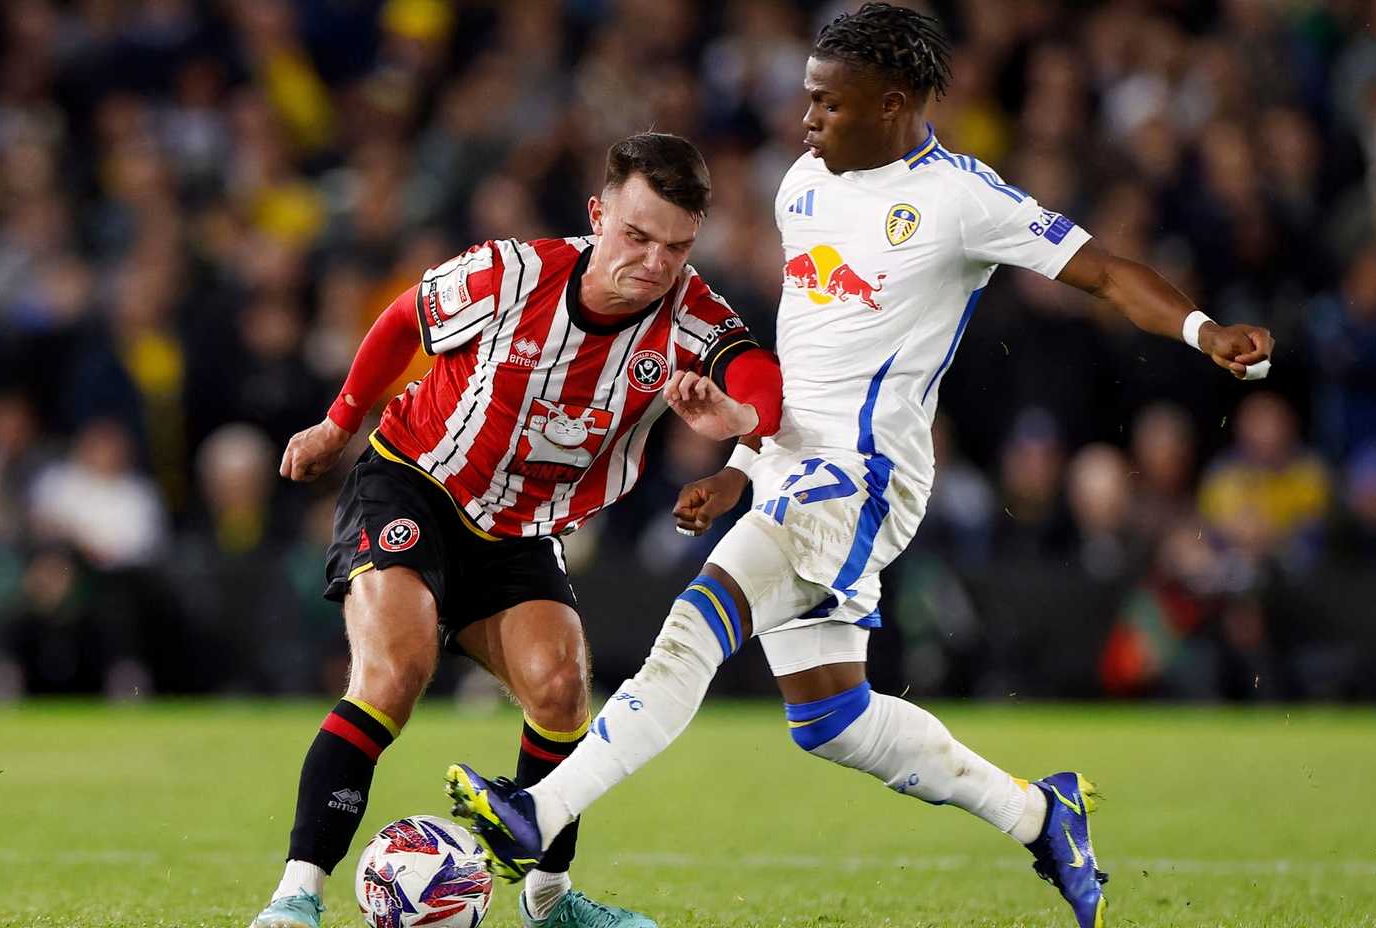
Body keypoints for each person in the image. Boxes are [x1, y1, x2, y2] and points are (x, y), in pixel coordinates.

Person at [445, 7, 1274, 928]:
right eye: (806, 100)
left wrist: (1205, 331)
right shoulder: (802, 185)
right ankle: (1043, 815)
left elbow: (1109, 272)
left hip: (868, 477)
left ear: (893, 103)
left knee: (694, 627)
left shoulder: (964, 200)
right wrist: (745, 462)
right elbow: (810, 360)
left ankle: (539, 811)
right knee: (832, 720)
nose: (805, 120)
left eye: (826, 104)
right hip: (795, 465)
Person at [249, 132, 783, 928]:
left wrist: (742, 424)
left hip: (523, 530)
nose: (653, 263)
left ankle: (549, 901)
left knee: (563, 686)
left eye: (675, 246)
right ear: (598, 215)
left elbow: (760, 377)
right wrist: (338, 423)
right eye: (636, 237)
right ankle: (296, 896)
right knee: (395, 672)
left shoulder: (689, 313)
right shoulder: (513, 272)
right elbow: (403, 320)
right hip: (413, 483)